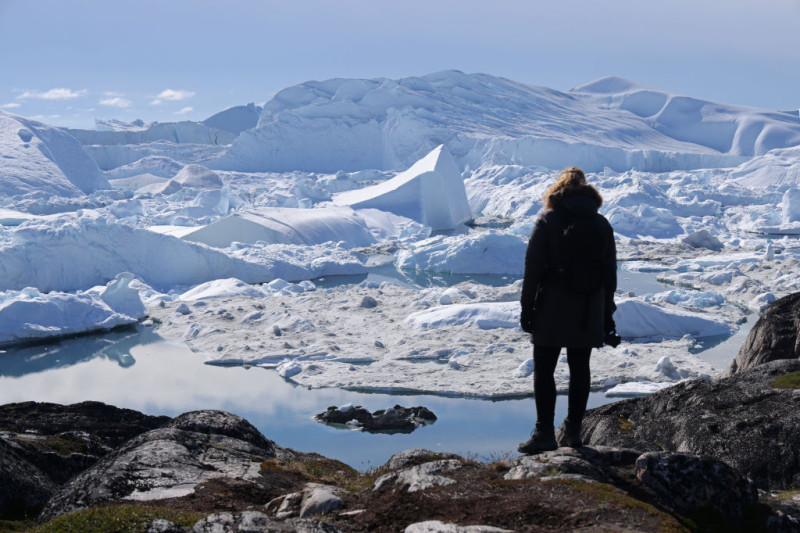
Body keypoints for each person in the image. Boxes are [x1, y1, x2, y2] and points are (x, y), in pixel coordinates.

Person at [517, 167, 617, 454]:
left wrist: (527, 307)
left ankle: (544, 433)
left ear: (557, 190)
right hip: (589, 304)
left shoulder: (548, 219)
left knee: (544, 369)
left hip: (553, 304)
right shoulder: (600, 223)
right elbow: (610, 271)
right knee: (580, 367)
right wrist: (606, 311)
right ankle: (573, 432)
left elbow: (533, 268)